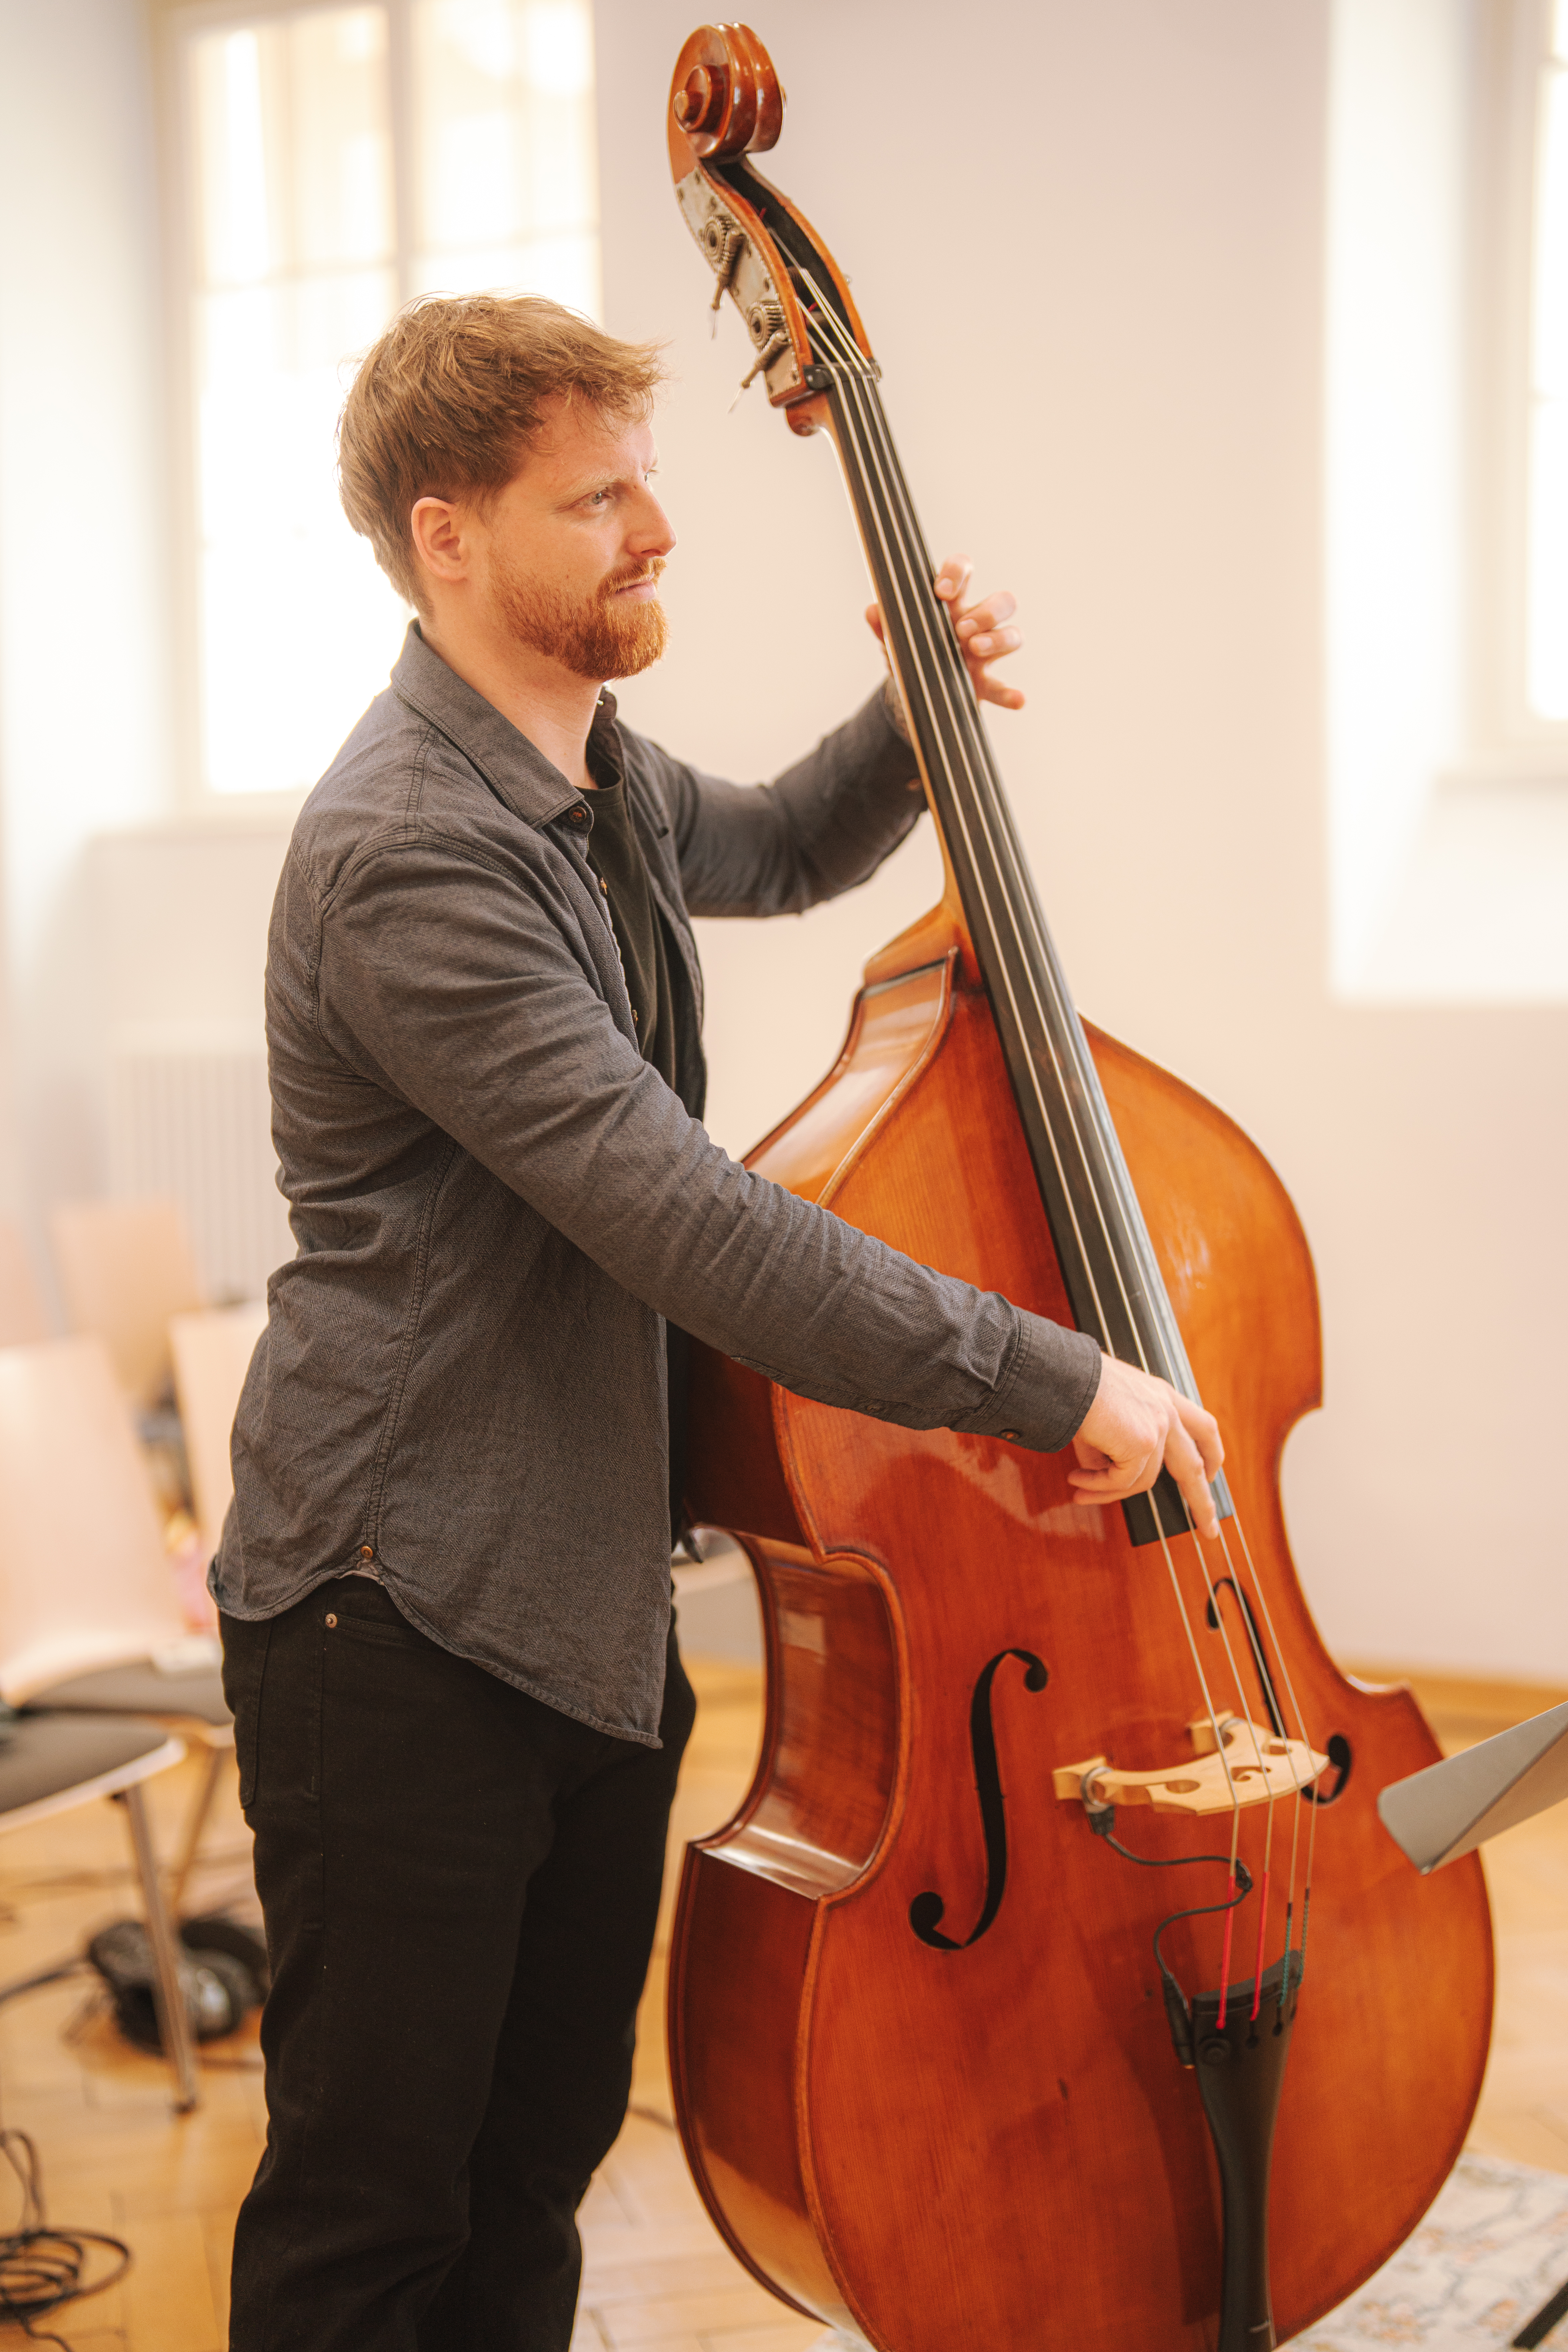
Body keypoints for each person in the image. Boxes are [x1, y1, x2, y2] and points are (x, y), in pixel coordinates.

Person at [214, 293, 1221, 2352]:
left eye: (649, 479)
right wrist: (1047, 1376)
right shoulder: (412, 849)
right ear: (447, 540)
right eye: (598, 498)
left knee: (533, 2168)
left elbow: (770, 840)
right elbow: (691, 1223)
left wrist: (910, 715)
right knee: (371, 2219)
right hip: (396, 1617)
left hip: (577, 1604)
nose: (657, 528)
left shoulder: (583, 770)